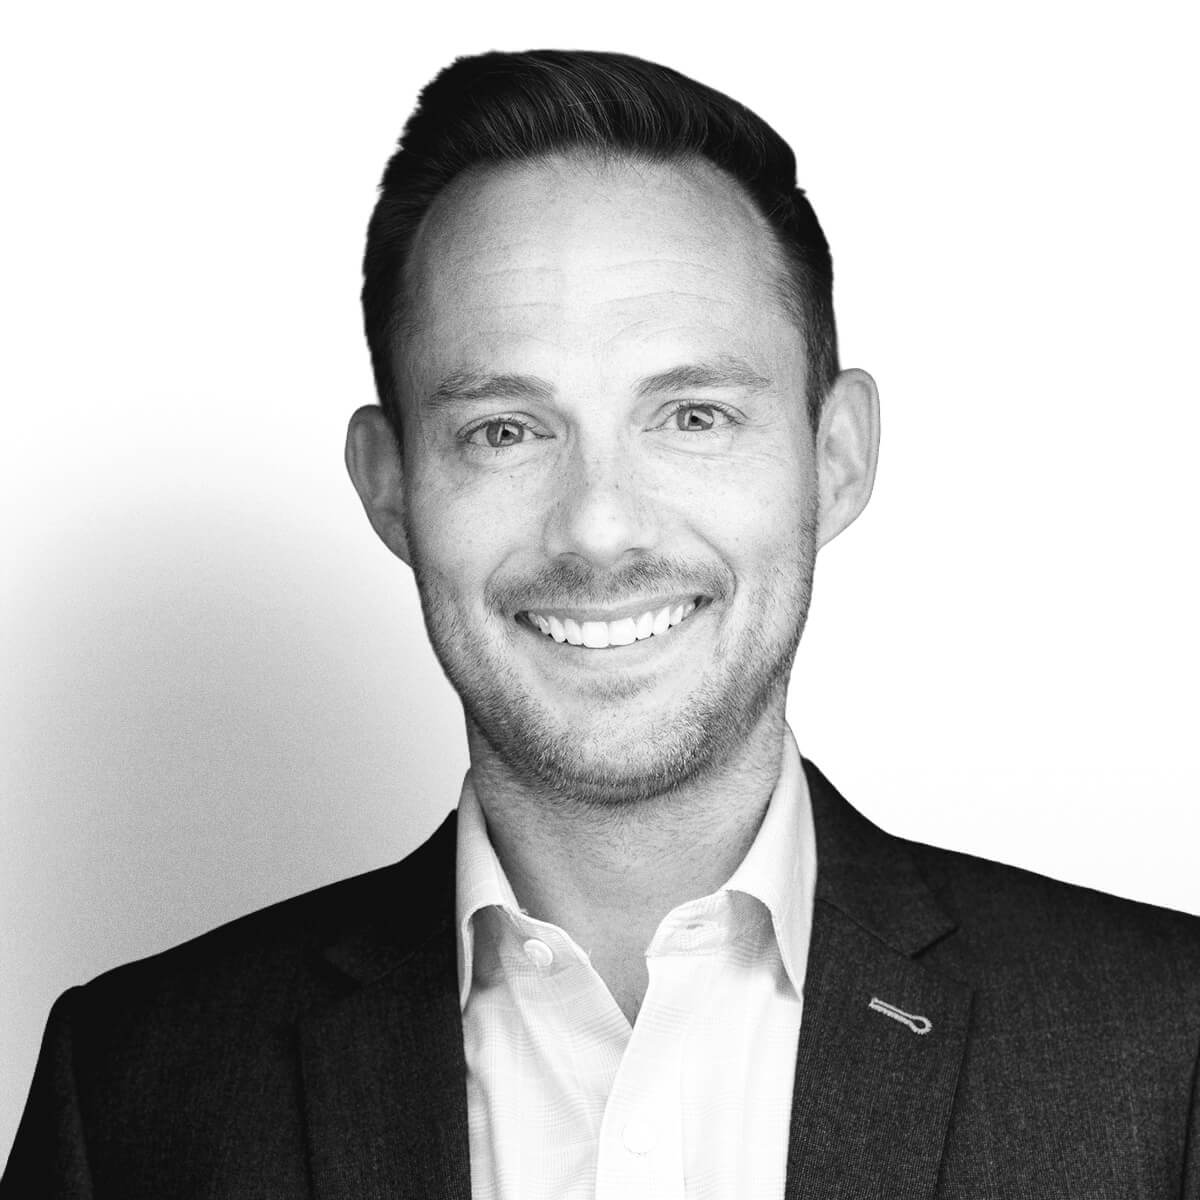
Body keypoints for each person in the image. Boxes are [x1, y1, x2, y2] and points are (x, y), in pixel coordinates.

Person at [4, 47, 1199, 1200]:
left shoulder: (1166, 1046)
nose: (599, 528)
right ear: (390, 486)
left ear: (836, 458)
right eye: (504, 431)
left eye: (693, 416)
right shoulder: (131, 1090)